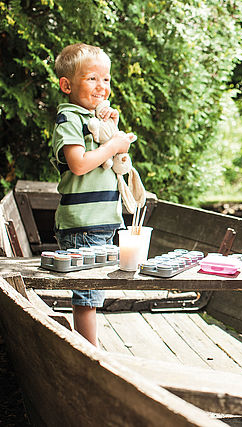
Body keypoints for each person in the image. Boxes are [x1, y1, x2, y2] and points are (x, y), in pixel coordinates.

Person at [51, 43, 135, 345]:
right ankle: (90, 354)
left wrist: (110, 129)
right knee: (86, 294)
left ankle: (90, 349)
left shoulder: (93, 120)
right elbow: (78, 164)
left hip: (102, 219)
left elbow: (113, 165)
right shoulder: (69, 120)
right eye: (91, 79)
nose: (101, 86)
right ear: (67, 85)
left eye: (106, 79)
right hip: (83, 222)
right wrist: (112, 145)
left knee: (94, 291)